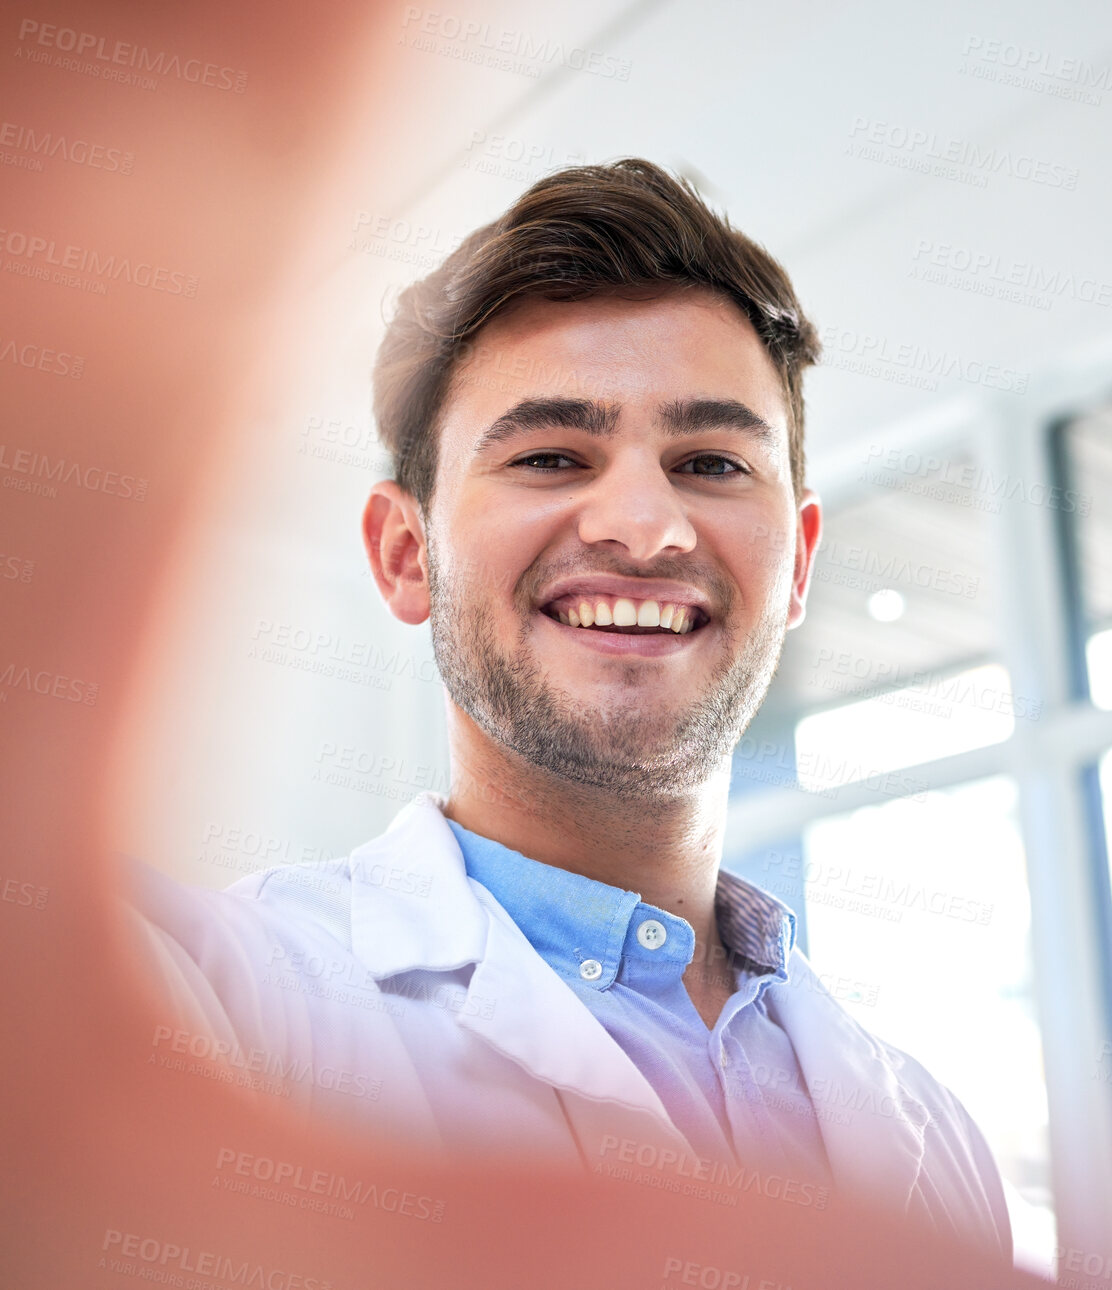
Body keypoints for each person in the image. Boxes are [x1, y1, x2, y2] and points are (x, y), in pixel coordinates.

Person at [129, 158, 1014, 1262]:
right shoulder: (221, 1005)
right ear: (407, 555)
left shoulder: (938, 1143)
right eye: (551, 455)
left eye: (711, 462)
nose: (646, 527)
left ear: (798, 567)